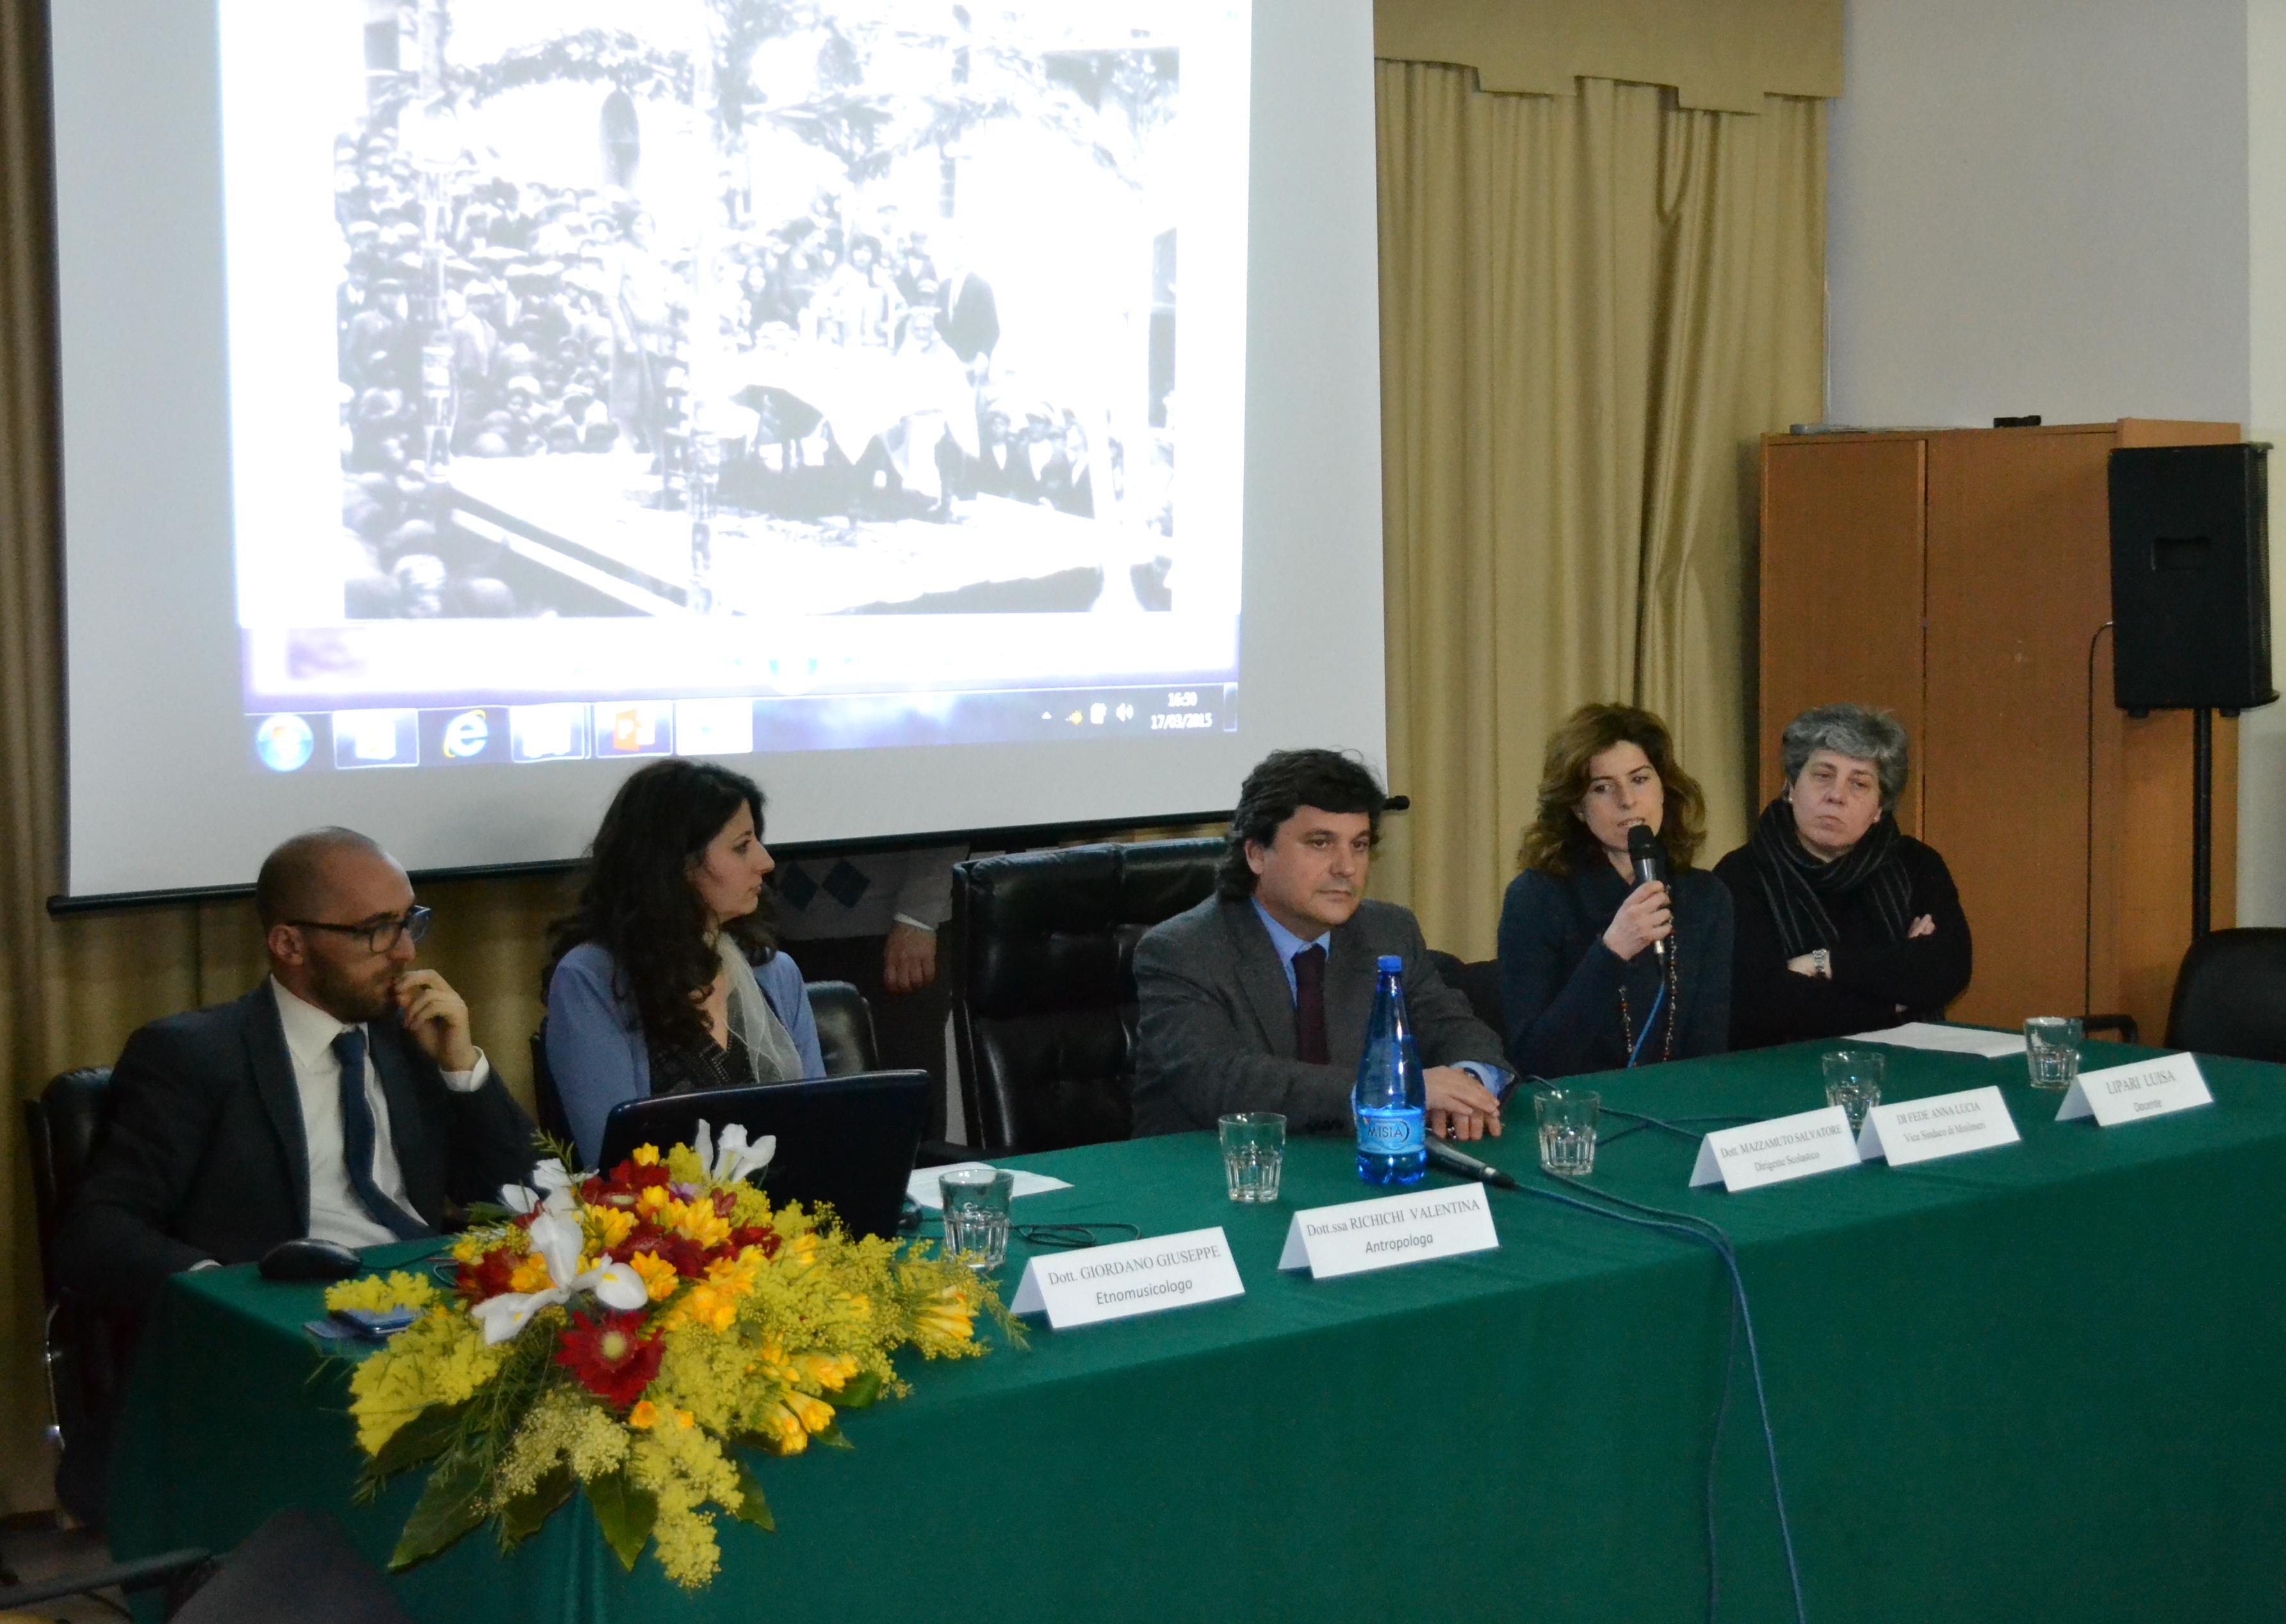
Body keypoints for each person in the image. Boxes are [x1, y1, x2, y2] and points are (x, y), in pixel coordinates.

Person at [56, 829, 535, 1316]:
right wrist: (227, 1293)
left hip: (429, 1302)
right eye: (377, 930)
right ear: (289, 944)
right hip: (289, 1320)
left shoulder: (410, 1037)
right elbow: (99, 1231)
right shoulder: (193, 1056)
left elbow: (525, 1201)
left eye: (409, 921)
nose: (406, 952)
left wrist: (462, 1070)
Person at [1132, 749, 1510, 1139]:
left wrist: (1467, 1083)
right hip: (1210, 1174)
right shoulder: (1182, 951)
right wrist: (1394, 1088)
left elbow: (1452, 1027)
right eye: (1320, 843)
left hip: (1350, 1165)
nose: (1346, 867)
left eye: (1359, 845)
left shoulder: (1388, 931)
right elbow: (1221, 1081)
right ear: (1257, 854)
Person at [544, 760, 824, 1165]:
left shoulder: (777, 973)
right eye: (742, 846)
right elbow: (615, 1162)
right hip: (665, 1222)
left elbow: (824, 1125)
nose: (765, 861)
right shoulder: (591, 979)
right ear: (679, 864)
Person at [1713, 703, 1972, 1048]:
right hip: (1784, 1075)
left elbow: (1945, 970)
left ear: (1880, 808)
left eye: (1859, 784)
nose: (1836, 795)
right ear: (1790, 787)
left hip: (1909, 1066)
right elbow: (1763, 1004)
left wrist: (1823, 963)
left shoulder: (1916, 864)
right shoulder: (1740, 875)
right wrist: (1893, 997)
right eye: (1823, 775)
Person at [1497, 704, 1735, 1078]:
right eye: (1603, 788)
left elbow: (1710, 1049)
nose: (1627, 800)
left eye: (1640, 780)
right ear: (1578, 807)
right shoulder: (1536, 898)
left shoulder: (1706, 896)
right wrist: (1612, 952)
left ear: (1663, 790)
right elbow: (1532, 1061)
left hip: (1681, 1112)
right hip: (1581, 1115)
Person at [774, 843, 967, 1136]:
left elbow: (947, 809)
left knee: (907, 1122)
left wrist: (918, 916)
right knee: (811, 1123)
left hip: (893, 932)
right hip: (781, 929)